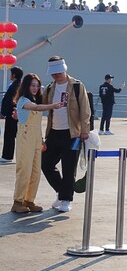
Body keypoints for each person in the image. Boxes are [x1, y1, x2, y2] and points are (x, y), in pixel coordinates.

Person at [42, 56, 92, 213]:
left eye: (58, 72)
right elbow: (40, 105)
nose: (56, 75)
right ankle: (62, 192)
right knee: (46, 164)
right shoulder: (49, 88)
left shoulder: (77, 86)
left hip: (72, 133)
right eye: (53, 73)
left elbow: (85, 109)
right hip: (53, 132)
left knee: (69, 168)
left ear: (64, 69)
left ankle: (66, 199)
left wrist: (85, 130)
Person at [11, 73, 63, 213]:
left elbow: (37, 122)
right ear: (26, 86)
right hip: (25, 137)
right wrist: (53, 105)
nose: (35, 88)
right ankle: (18, 201)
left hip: (35, 138)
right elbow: (36, 108)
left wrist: (41, 140)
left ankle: (29, 200)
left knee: (35, 172)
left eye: (37, 85)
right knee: (24, 170)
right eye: (32, 85)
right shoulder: (22, 100)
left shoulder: (35, 99)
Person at [1, 66, 23, 164]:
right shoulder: (19, 85)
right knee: (13, 135)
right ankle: (8, 155)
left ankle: (7, 156)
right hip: (14, 113)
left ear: (13, 75)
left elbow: (10, 101)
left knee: (9, 135)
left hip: (12, 114)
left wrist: (4, 112)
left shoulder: (15, 86)